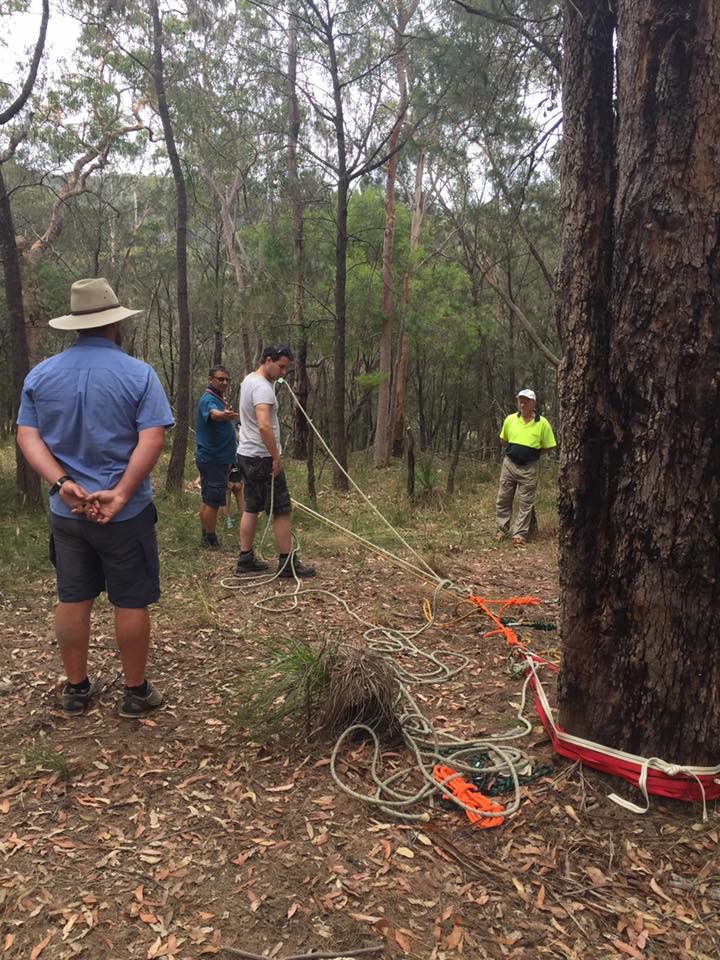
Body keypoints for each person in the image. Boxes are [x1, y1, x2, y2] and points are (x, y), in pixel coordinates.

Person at [16, 277, 175, 718]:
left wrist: (61, 483)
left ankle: (76, 689)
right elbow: (152, 438)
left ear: (75, 325)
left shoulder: (41, 375)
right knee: (130, 600)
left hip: (67, 512)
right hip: (125, 515)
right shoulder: (139, 374)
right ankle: (136, 693)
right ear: (115, 324)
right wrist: (120, 494)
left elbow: (28, 435)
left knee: (73, 597)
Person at [235, 345, 316, 578]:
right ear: (268, 360)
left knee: (251, 506)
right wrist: (276, 457)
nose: (283, 372)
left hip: (247, 454)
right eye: (281, 367)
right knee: (281, 509)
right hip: (262, 457)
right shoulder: (263, 388)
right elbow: (263, 425)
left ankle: (245, 558)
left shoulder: (249, 380)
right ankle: (287, 563)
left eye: (286, 368)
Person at [495, 389, 556, 546]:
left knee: (526, 502)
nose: (522, 404)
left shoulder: (542, 423)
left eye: (526, 401)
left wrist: (532, 454)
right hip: (509, 464)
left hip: (529, 467)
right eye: (520, 401)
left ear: (533, 403)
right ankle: (501, 530)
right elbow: (503, 440)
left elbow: (549, 446)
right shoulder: (510, 420)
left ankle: (519, 535)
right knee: (504, 498)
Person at [195, 365, 239, 549]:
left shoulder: (218, 398)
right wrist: (224, 415)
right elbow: (213, 414)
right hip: (213, 458)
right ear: (210, 380)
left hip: (217, 458)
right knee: (213, 502)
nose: (225, 382)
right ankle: (211, 540)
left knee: (208, 499)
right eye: (220, 379)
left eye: (227, 379)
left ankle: (206, 535)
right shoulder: (209, 399)